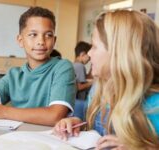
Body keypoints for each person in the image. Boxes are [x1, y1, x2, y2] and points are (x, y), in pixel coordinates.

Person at [53, 10, 159, 149]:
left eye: (95, 46)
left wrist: (141, 147)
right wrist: (78, 123)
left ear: (120, 54)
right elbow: (95, 132)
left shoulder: (155, 105)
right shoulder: (98, 89)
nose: (89, 54)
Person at [73, 41, 93, 120]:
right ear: (82, 54)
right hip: (79, 100)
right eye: (89, 56)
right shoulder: (80, 66)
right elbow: (79, 87)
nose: (89, 59)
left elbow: (85, 78)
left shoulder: (75, 65)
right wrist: (92, 82)